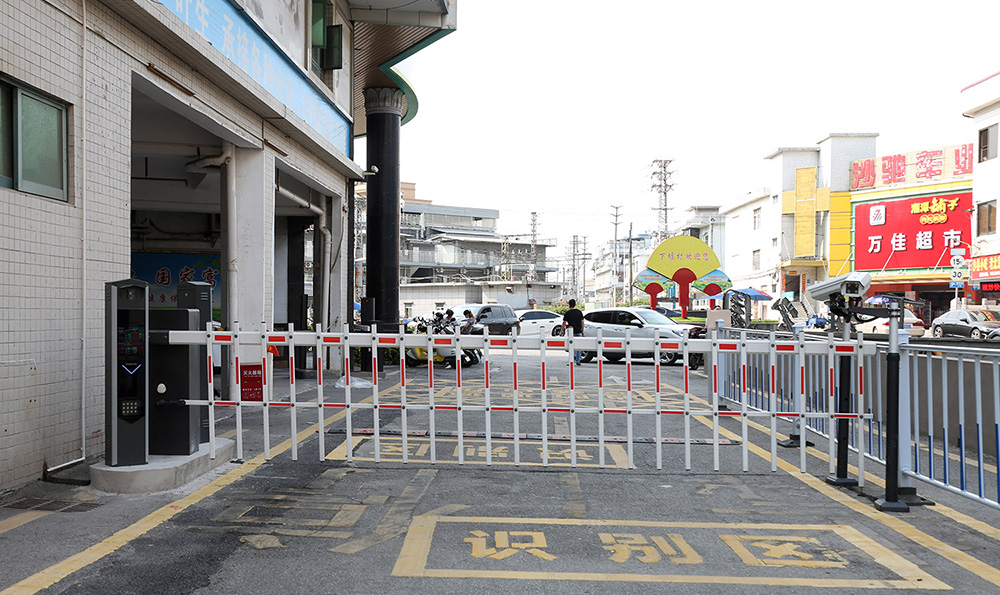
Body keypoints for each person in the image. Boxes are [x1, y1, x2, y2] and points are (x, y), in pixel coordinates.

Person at [562, 299, 584, 365]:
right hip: (578, 331)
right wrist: (582, 330)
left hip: (571, 332)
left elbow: (564, 323)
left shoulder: (567, 313)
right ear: (575, 304)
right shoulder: (579, 312)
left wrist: (561, 331)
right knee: (578, 347)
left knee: (571, 347)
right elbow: (582, 322)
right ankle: (578, 360)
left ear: (569, 305)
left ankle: (571, 360)